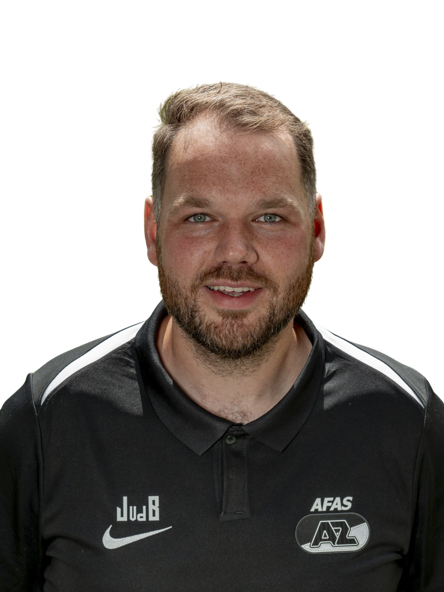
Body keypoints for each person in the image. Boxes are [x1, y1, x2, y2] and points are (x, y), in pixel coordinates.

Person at [1, 80, 443, 592]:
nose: (236, 252)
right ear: (152, 231)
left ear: (318, 228)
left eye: (270, 217)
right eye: (200, 217)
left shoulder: (410, 418)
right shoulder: (44, 417)